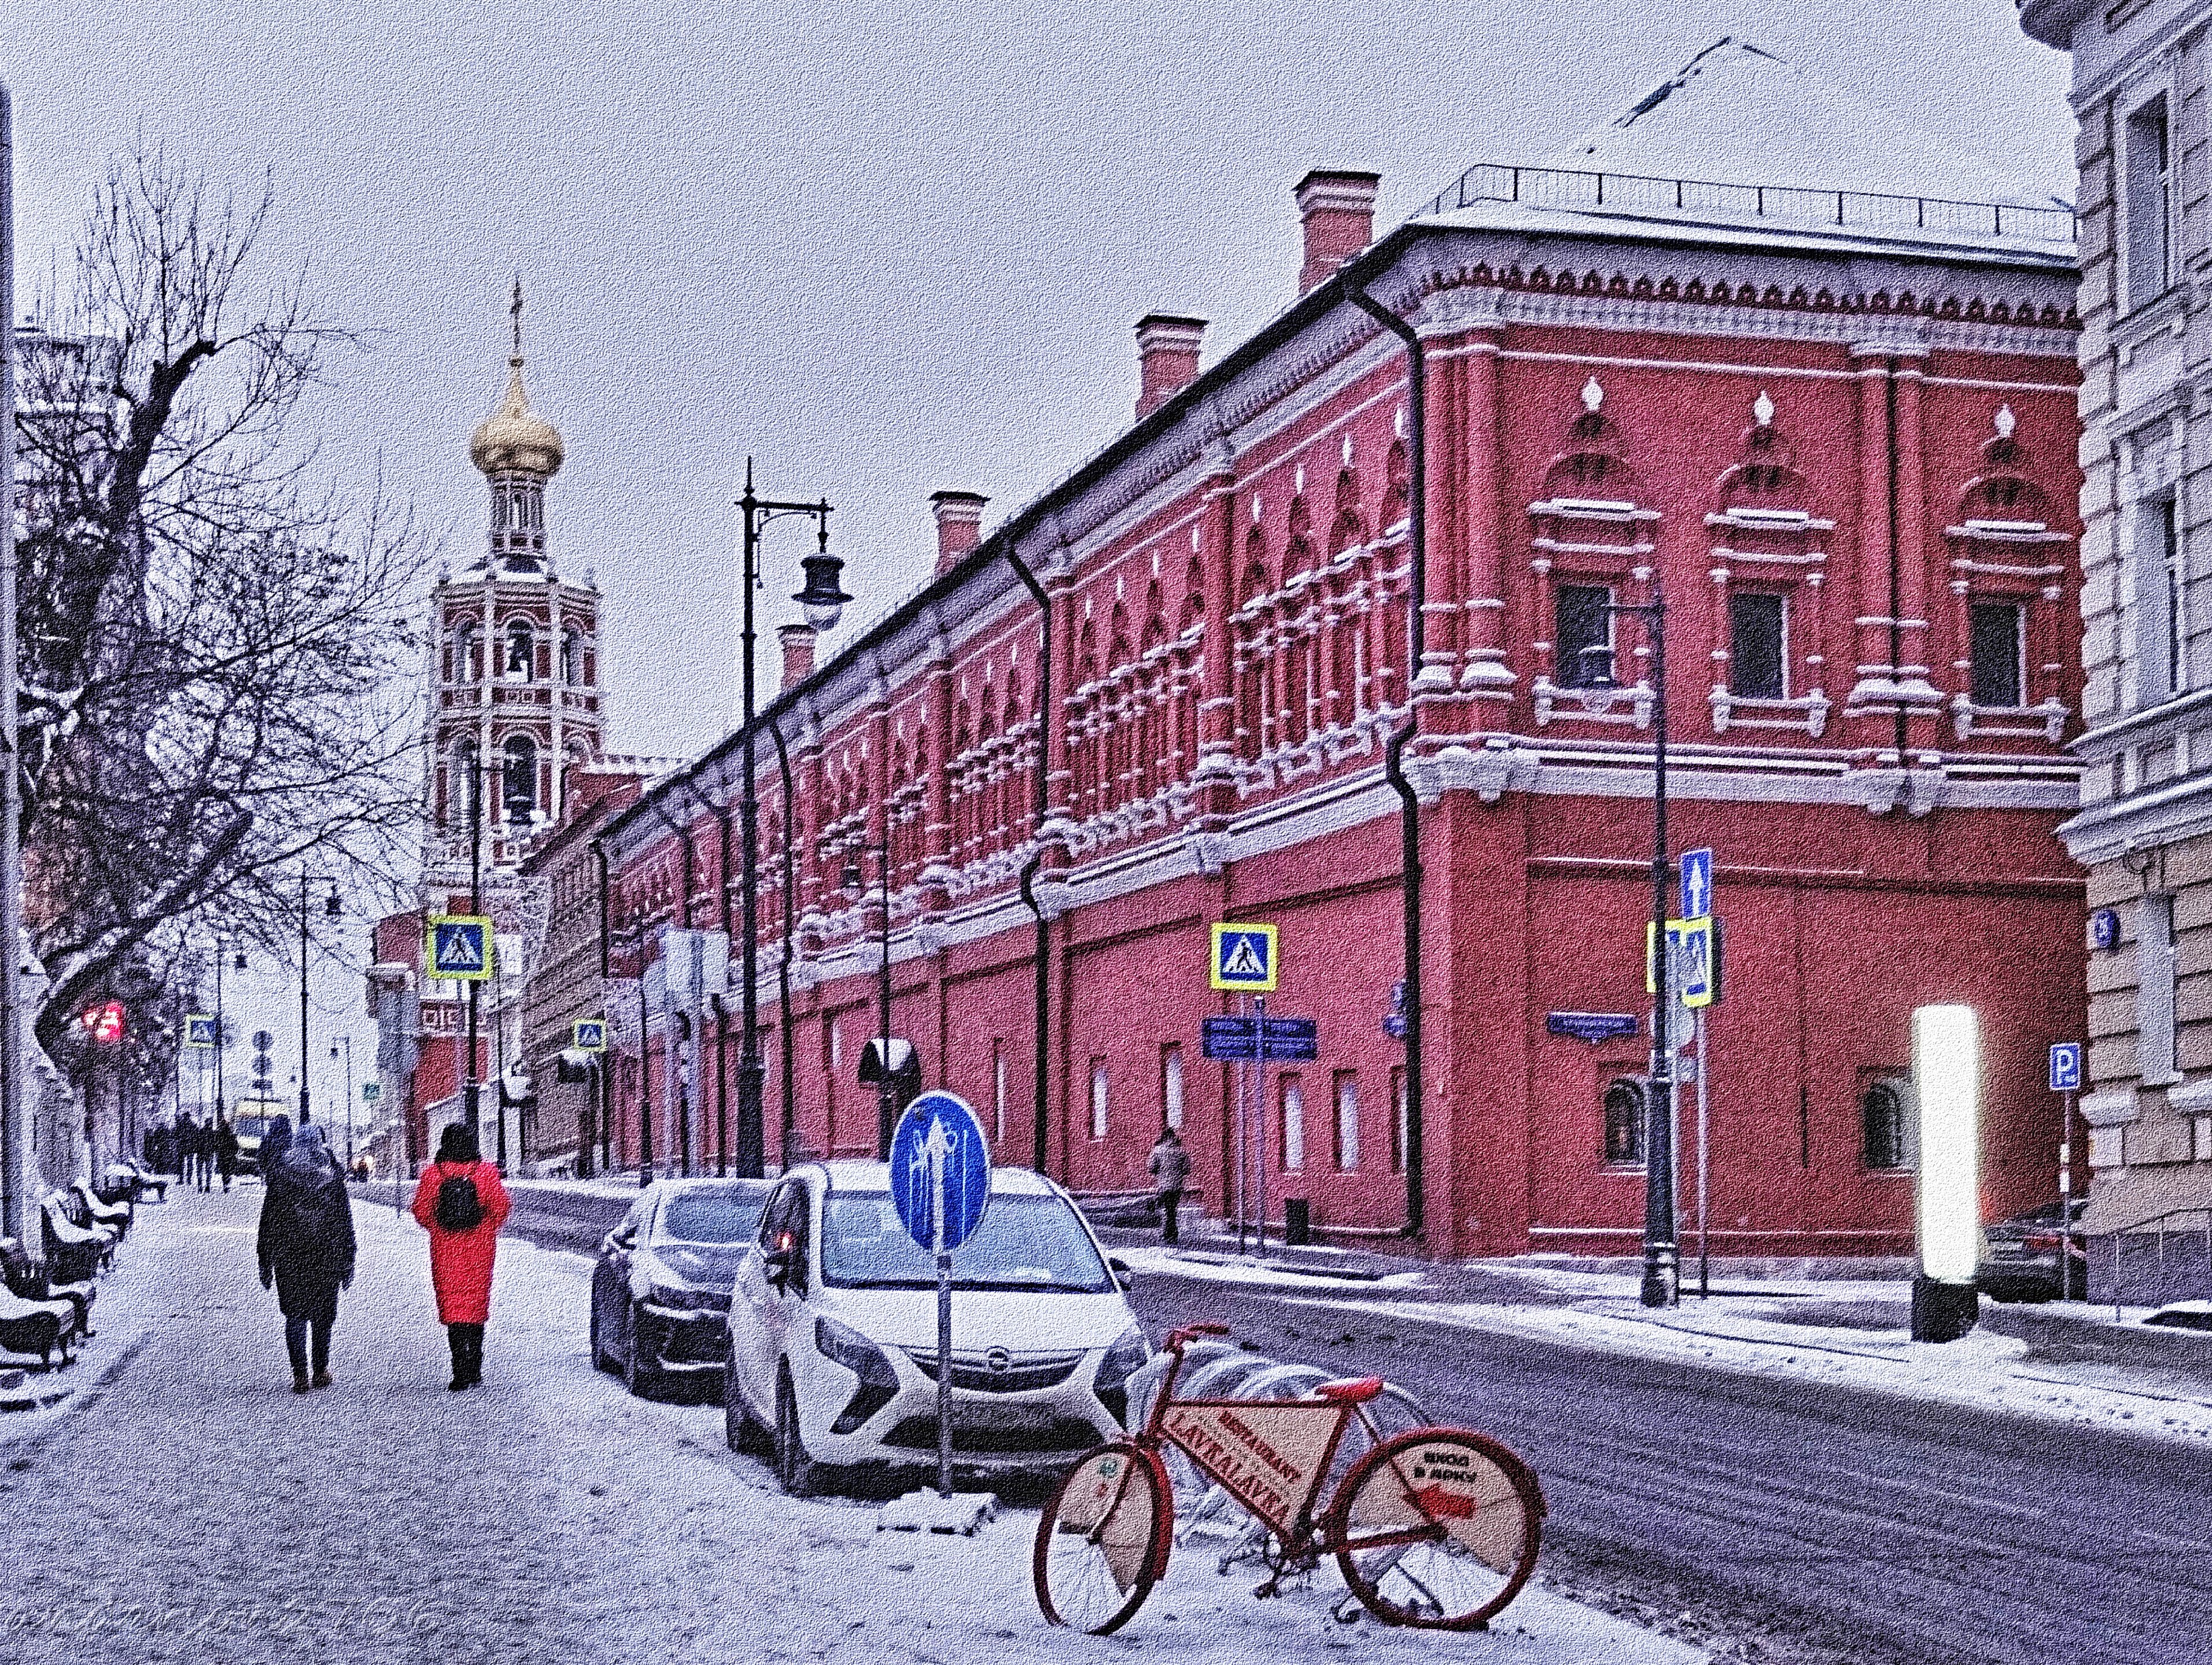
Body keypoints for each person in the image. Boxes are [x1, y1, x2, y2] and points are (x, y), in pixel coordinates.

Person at [256, 1123, 356, 1393]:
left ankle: (300, 1375)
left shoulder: (280, 1176)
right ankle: (321, 1369)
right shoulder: (332, 1177)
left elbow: (268, 1224)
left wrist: (265, 1262)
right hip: (327, 1254)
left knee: (295, 1315)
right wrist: (348, 1260)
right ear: (321, 1143)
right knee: (324, 1315)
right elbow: (344, 1222)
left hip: (290, 1256)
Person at [411, 1124, 510, 1390]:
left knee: (453, 1307)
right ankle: (475, 1366)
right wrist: (485, 1227)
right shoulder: (486, 1172)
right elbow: (501, 1208)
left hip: (445, 1250)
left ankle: (459, 1370)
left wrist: (439, 1227)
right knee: (476, 1306)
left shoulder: (434, 1174)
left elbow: (421, 1211)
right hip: (480, 1249)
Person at [1148, 1125, 1189, 1245]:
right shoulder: (1181, 1151)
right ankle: (1172, 1233)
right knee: (1172, 1209)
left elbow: (1151, 1168)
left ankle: (1168, 1234)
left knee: (1167, 1209)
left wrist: (1161, 1172)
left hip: (1164, 1186)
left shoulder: (1158, 1150)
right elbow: (1187, 1169)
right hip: (1177, 1186)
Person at [260, 1113, 293, 1179]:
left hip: (271, 1168)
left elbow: (262, 1153)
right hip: (285, 1170)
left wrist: (263, 1168)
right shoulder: (290, 1137)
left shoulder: (269, 1136)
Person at [214, 1118, 239, 1192]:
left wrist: (218, 1151)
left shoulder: (220, 1134)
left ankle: (225, 1183)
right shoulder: (231, 1134)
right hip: (229, 1156)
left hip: (222, 1155)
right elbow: (236, 1145)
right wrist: (234, 1153)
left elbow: (217, 1145)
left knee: (224, 1171)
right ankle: (227, 1182)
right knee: (228, 1170)